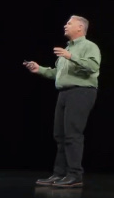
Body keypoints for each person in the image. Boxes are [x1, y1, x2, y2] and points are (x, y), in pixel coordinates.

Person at [23, 15, 101, 188]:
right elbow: (57, 74)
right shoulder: (67, 49)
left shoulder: (89, 46)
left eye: (69, 23)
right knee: (60, 135)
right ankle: (59, 174)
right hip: (64, 93)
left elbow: (93, 67)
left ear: (80, 27)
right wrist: (39, 69)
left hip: (81, 92)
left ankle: (75, 175)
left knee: (73, 134)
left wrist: (71, 56)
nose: (65, 25)